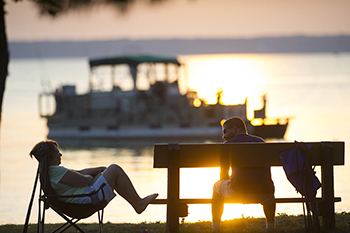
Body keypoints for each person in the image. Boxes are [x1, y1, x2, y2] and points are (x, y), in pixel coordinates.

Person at [29, 140, 158, 215]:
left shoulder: (47, 172)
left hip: (75, 204)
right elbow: (85, 180)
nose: (60, 154)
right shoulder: (55, 171)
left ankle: (137, 202)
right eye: (57, 153)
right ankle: (139, 203)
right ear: (51, 156)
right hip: (87, 200)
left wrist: (99, 170)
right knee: (115, 169)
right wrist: (97, 176)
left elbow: (79, 172)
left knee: (109, 172)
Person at [211, 117, 275, 232]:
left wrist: (229, 181)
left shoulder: (227, 145)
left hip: (239, 191)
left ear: (234, 129)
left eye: (225, 131)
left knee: (217, 186)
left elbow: (224, 173)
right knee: (267, 190)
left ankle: (215, 228)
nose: (223, 136)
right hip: (266, 193)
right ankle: (270, 227)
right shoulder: (261, 142)